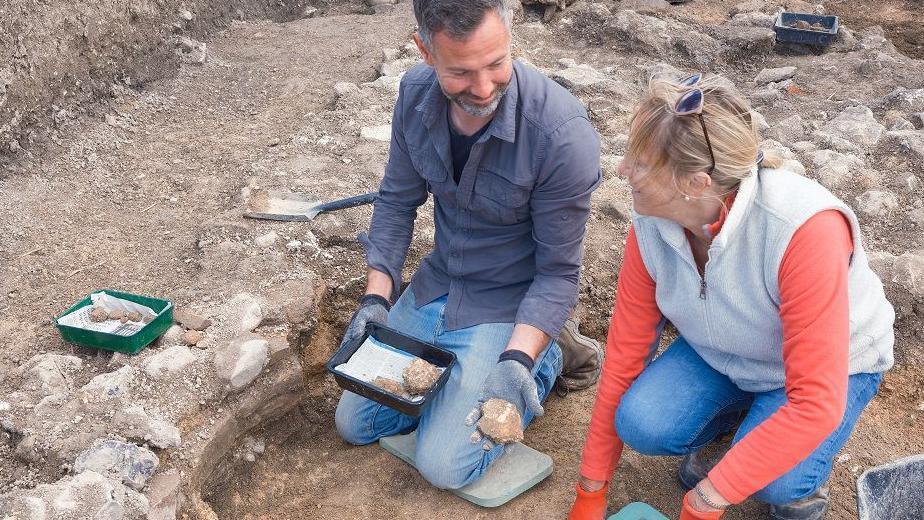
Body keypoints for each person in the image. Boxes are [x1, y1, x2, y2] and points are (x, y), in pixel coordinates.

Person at [568, 74, 894, 520]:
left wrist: (705, 500)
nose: (622, 169)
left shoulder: (801, 230)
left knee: (779, 483)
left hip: (827, 371)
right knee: (641, 422)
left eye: (640, 161)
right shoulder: (650, 226)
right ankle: (741, 430)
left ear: (696, 183)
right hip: (724, 353)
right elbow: (625, 356)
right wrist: (591, 489)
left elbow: (815, 402)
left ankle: (794, 476)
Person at [334, 0, 602, 490]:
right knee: (355, 423)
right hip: (437, 286)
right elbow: (396, 202)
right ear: (425, 51)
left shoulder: (561, 135)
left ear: (510, 31)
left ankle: (548, 356)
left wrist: (515, 362)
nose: (482, 90)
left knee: (444, 466)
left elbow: (559, 273)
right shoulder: (415, 96)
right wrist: (376, 300)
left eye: (496, 64)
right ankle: (459, 380)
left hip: (510, 303)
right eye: (459, 72)